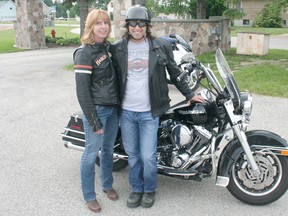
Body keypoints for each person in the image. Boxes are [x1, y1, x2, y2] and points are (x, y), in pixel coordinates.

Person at [110, 5, 204, 209]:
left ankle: (150, 189)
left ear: (147, 26)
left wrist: (189, 94)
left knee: (147, 155)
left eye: (141, 23)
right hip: (127, 112)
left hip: (149, 112)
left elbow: (175, 72)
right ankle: (136, 189)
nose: (137, 27)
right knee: (133, 155)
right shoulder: (117, 48)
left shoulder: (160, 46)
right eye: (133, 23)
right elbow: (109, 77)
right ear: (128, 25)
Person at [73, 9, 120, 213]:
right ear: (90, 27)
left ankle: (107, 184)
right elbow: (82, 91)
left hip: (113, 109)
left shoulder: (107, 48)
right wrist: (93, 119)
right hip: (97, 111)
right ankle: (89, 195)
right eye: (98, 23)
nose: (103, 27)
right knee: (91, 153)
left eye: (106, 23)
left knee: (108, 150)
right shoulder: (84, 52)